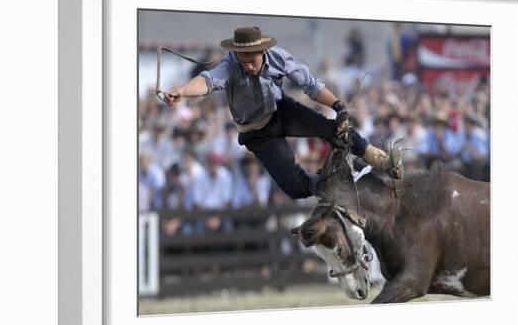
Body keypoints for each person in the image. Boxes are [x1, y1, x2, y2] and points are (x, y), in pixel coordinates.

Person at [162, 26, 403, 200]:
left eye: (251, 60)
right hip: (256, 132)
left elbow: (310, 84)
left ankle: (380, 159)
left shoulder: (278, 56)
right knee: (294, 187)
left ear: (262, 52)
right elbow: (207, 81)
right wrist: (182, 91)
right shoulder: (230, 65)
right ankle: (334, 186)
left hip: (281, 110)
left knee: (334, 129)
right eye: (242, 59)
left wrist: (338, 106)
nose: (247, 65)